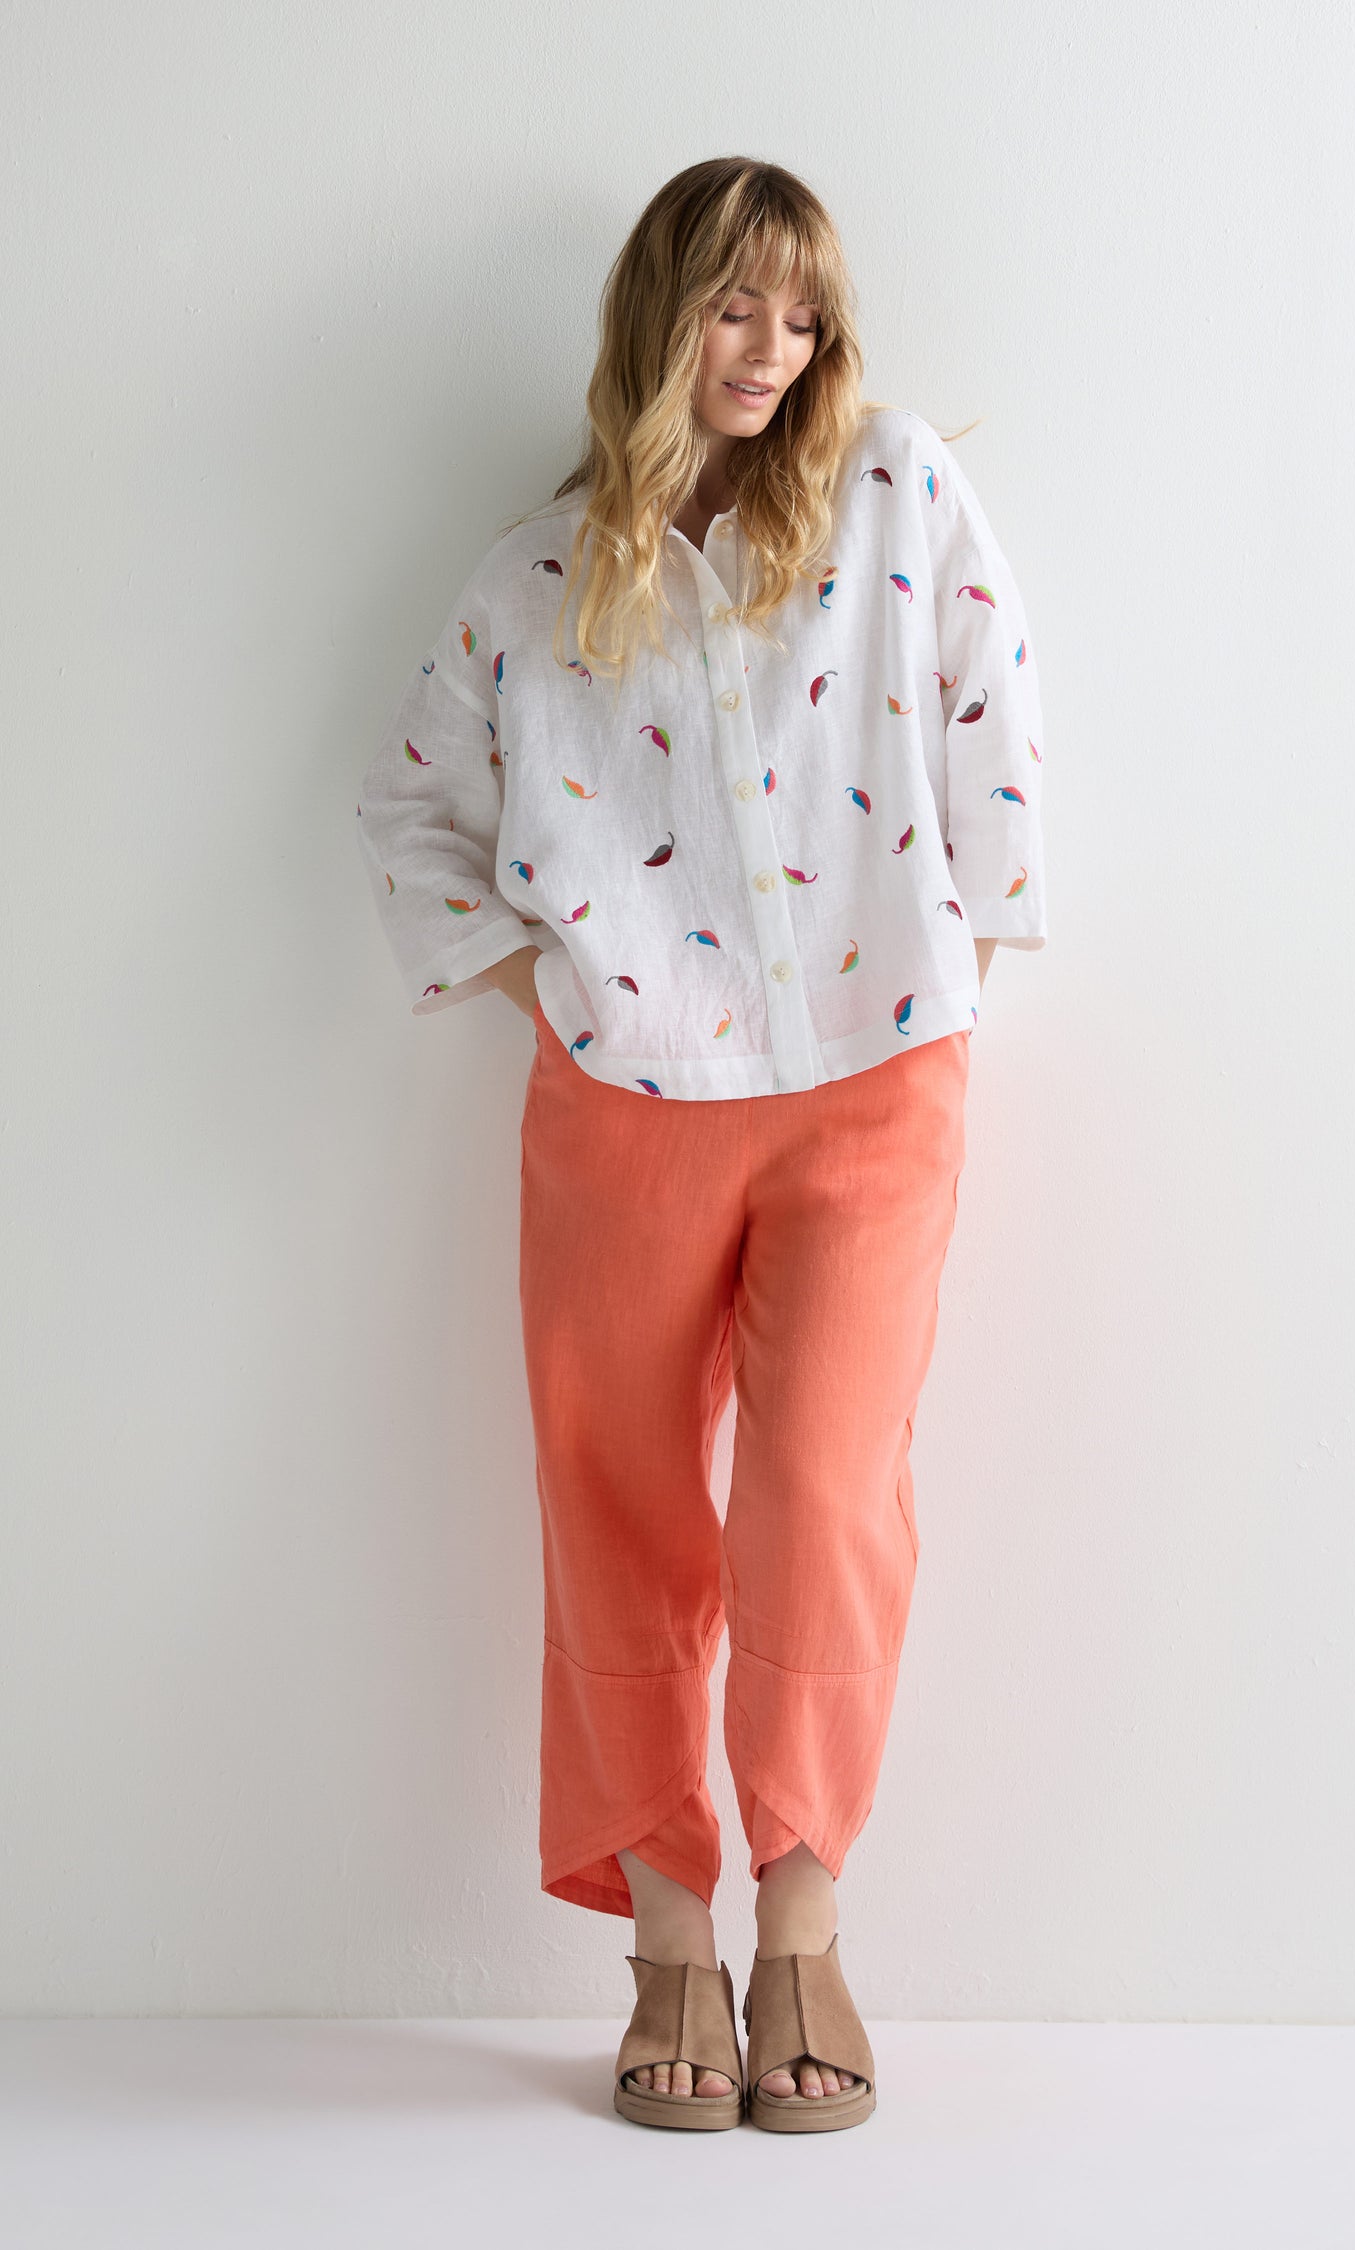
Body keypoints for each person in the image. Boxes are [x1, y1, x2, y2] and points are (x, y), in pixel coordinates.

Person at [355, 156, 1046, 2133]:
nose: (770, 348)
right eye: (733, 307)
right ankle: (670, 1939)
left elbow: (998, 716)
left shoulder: (899, 493)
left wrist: (961, 954)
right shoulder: (536, 579)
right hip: (628, 1100)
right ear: (662, 316)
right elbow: (409, 816)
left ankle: (805, 1919)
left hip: (874, 1078)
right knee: (623, 1506)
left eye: (801, 312)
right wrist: (559, 995)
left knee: (824, 1493)